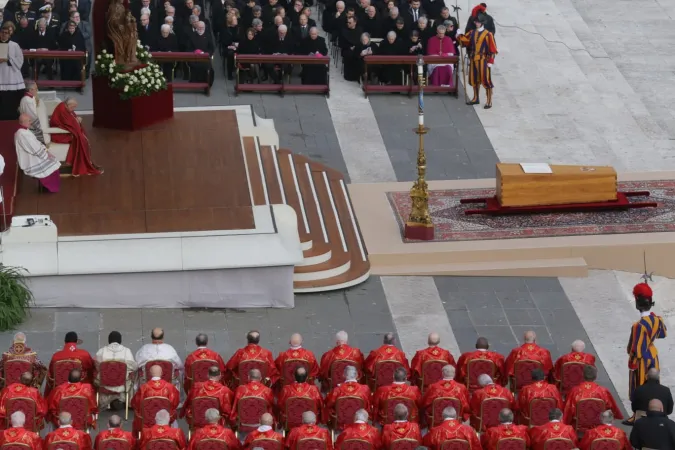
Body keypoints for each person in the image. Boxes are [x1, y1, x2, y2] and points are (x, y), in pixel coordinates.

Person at [626, 282, 667, 425]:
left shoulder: (639, 325)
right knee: (653, 385)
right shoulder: (657, 319)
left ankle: (636, 415)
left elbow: (637, 348)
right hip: (653, 356)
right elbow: (662, 334)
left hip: (642, 359)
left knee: (638, 388)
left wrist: (632, 362)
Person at [49, 98, 103, 177]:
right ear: (68, 105)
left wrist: (76, 120)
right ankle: (82, 166)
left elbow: (71, 119)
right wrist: (77, 121)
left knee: (83, 138)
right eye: (73, 107)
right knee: (81, 140)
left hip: (62, 131)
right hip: (59, 135)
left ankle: (88, 163)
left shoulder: (65, 106)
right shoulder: (62, 110)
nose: (73, 109)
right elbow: (69, 123)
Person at [456, 13, 497, 108]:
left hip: (483, 60)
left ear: (482, 23)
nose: (476, 23)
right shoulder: (472, 32)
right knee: (474, 79)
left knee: (485, 80)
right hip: (473, 59)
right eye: (476, 22)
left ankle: (489, 101)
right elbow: (465, 41)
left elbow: (492, 49)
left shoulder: (488, 34)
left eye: (478, 22)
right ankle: (475, 98)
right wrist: (459, 35)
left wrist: (490, 61)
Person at [14, 113, 61, 193]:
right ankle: (50, 187)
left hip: (35, 154)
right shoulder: (22, 134)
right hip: (31, 159)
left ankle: (50, 186)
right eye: (29, 121)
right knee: (51, 165)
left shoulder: (25, 130)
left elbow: (35, 143)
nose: (31, 122)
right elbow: (34, 149)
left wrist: (45, 150)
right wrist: (46, 154)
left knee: (53, 162)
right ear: (23, 122)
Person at [130, 365, 180, 435]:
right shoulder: (170, 387)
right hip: (166, 418)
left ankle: (140, 439)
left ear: (150, 373)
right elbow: (175, 403)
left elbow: (135, 403)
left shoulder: (144, 388)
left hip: (147, 419)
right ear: (162, 373)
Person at [95, 331, 137, 411]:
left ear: (109, 340)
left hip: (105, 384)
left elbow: (97, 366)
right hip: (121, 385)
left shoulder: (101, 351)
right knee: (133, 376)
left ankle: (105, 401)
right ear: (120, 341)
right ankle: (125, 401)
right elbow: (133, 367)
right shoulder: (126, 351)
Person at [46, 332, 94, 396]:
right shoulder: (84, 354)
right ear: (76, 341)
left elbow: (51, 375)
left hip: (60, 390)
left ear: (65, 342)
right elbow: (91, 369)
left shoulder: (56, 356)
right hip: (79, 389)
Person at [0, 23, 25, 121]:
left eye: (6, 33)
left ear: (9, 34)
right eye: (2, 32)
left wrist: (8, 60)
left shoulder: (14, 45)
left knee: (11, 99)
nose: (4, 34)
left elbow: (20, 60)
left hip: (11, 75)